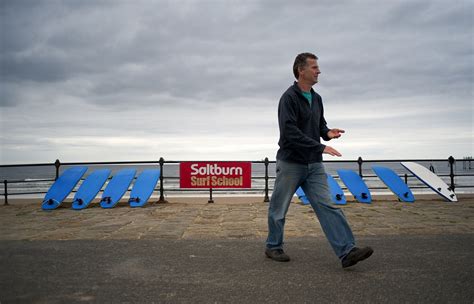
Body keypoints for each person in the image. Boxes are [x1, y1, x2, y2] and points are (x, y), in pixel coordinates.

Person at [265, 52, 373, 268]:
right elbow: (289, 133)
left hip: (313, 164)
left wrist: (326, 132)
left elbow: (319, 125)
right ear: (300, 70)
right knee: (279, 208)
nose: (318, 71)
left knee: (327, 205)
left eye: (317, 67)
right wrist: (321, 146)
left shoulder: (317, 98)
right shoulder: (289, 98)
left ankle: (347, 251)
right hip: (291, 163)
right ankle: (273, 246)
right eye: (314, 67)